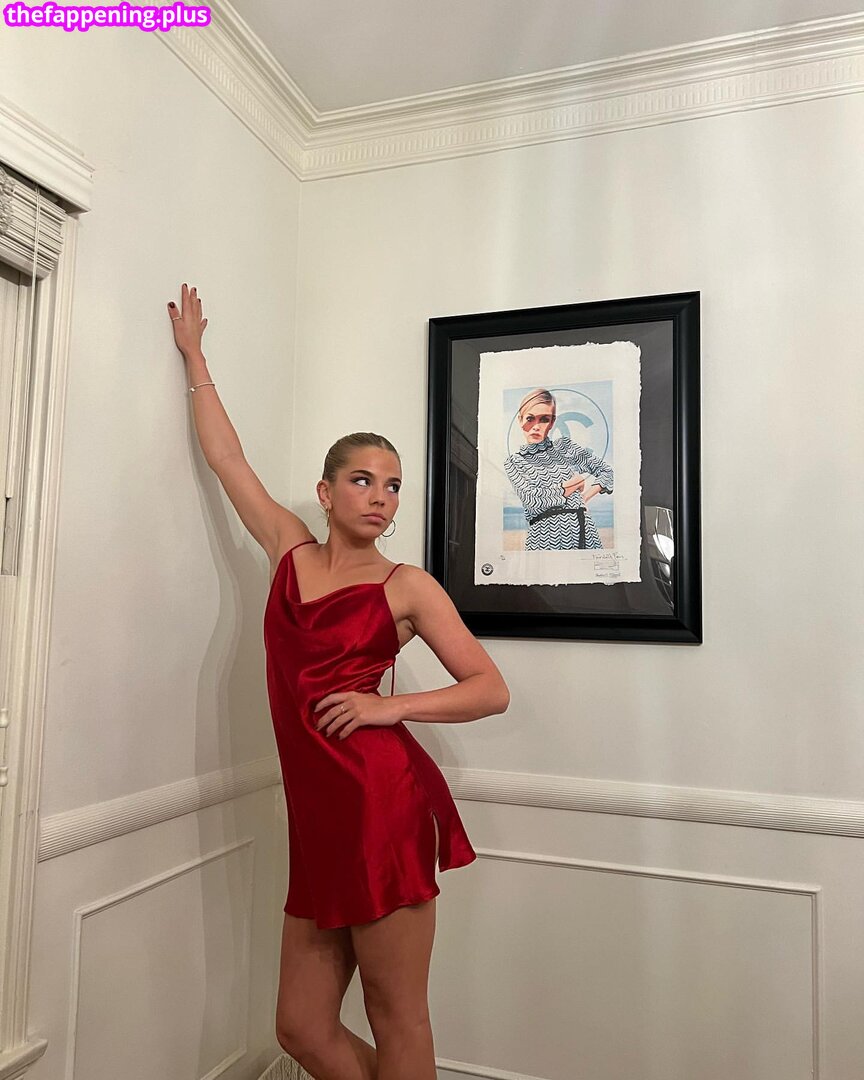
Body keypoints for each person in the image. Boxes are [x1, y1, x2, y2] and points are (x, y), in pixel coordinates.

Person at [168, 284, 510, 1080]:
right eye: (362, 480)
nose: (381, 498)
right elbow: (228, 461)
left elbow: (490, 688)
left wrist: (390, 706)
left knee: (398, 1017)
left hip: (381, 809)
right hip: (319, 817)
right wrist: (194, 357)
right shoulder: (288, 551)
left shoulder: (407, 586)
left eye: (393, 486)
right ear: (325, 493)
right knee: (300, 1027)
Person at [503, 388, 613, 550]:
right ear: (520, 420)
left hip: (584, 532)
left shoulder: (564, 447)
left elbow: (607, 472)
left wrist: (584, 498)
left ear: (552, 423)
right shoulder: (514, 462)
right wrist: (574, 484)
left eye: (544, 419)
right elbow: (533, 500)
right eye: (530, 418)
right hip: (542, 539)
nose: (536, 426)